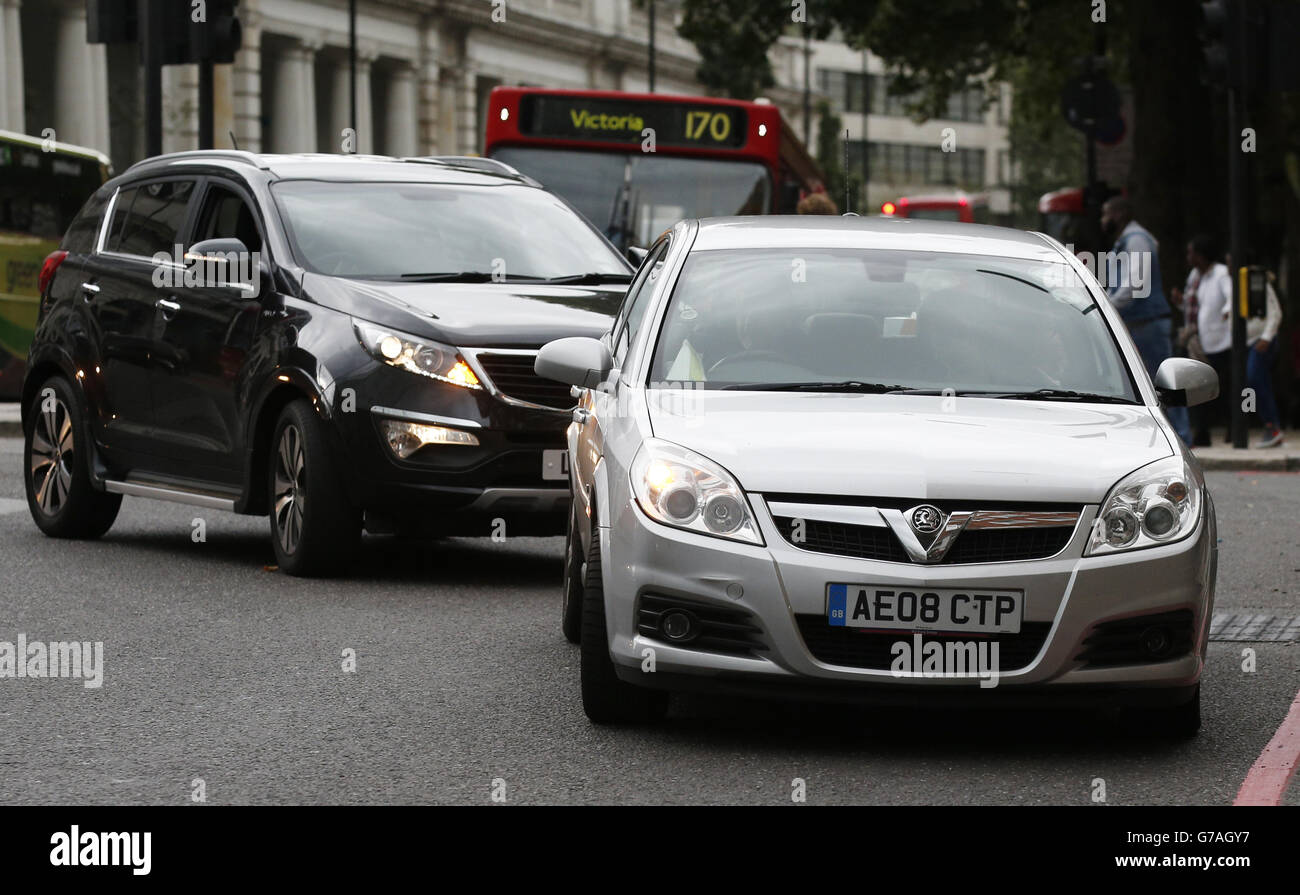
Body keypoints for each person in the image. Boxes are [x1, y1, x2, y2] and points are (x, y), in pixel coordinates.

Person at [1099, 197, 1193, 446]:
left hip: (1147, 324)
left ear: (1118, 214)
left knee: (1166, 385)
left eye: (1105, 214)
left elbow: (1134, 283)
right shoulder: (1127, 241)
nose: (1102, 220)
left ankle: (1182, 437)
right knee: (1148, 386)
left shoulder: (1137, 239)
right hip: (1138, 324)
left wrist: (1105, 307)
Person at [1247, 272, 1285, 447]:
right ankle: (1263, 426)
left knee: (1256, 378)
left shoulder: (1257, 281)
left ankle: (1272, 426)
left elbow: (1275, 312)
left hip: (1261, 341)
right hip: (1244, 344)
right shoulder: (1233, 283)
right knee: (1251, 382)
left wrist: (1267, 337)